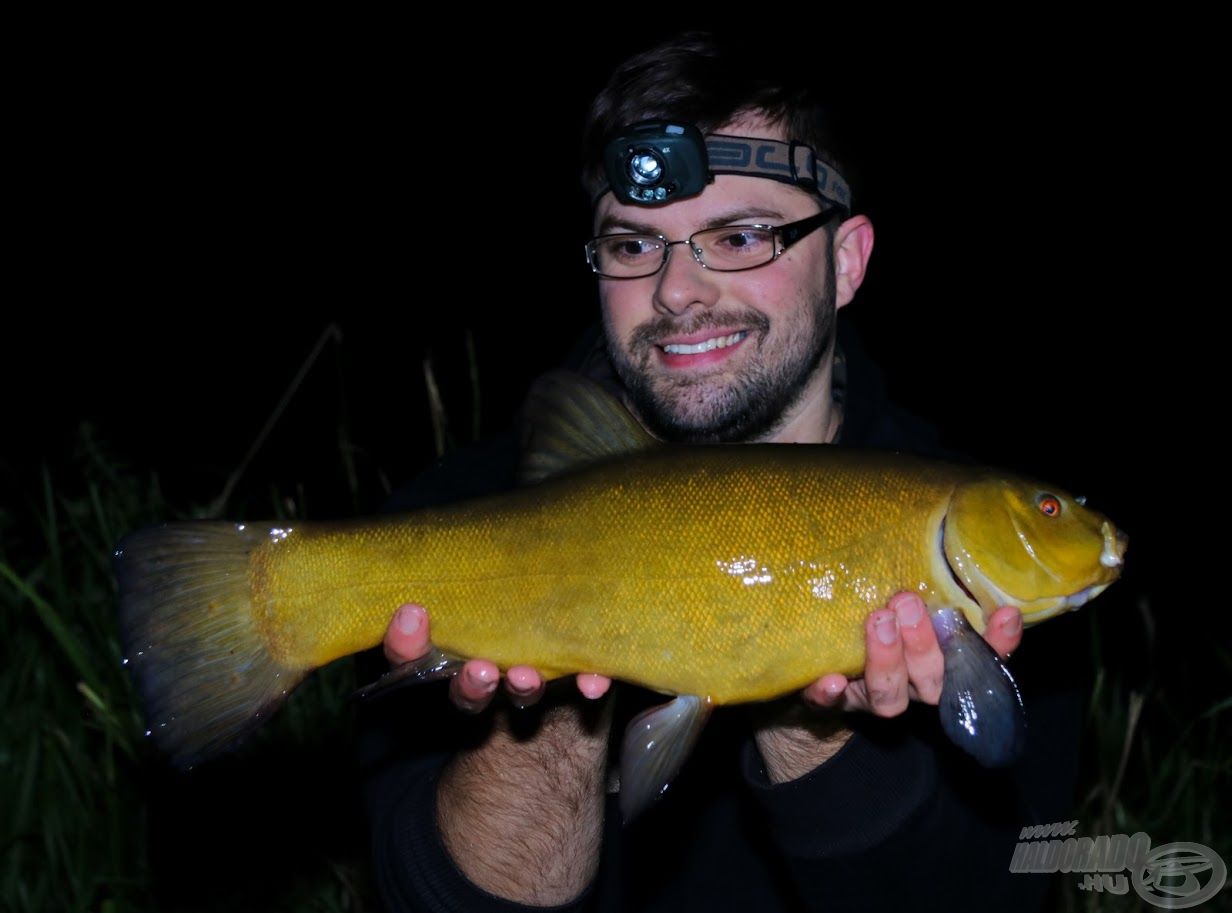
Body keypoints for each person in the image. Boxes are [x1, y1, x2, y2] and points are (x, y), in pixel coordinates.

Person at [359, 31, 1084, 912]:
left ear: (846, 260)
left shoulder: (979, 548)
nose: (675, 291)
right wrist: (547, 694)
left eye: (738, 236)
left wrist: (804, 717)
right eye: (633, 247)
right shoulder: (455, 512)